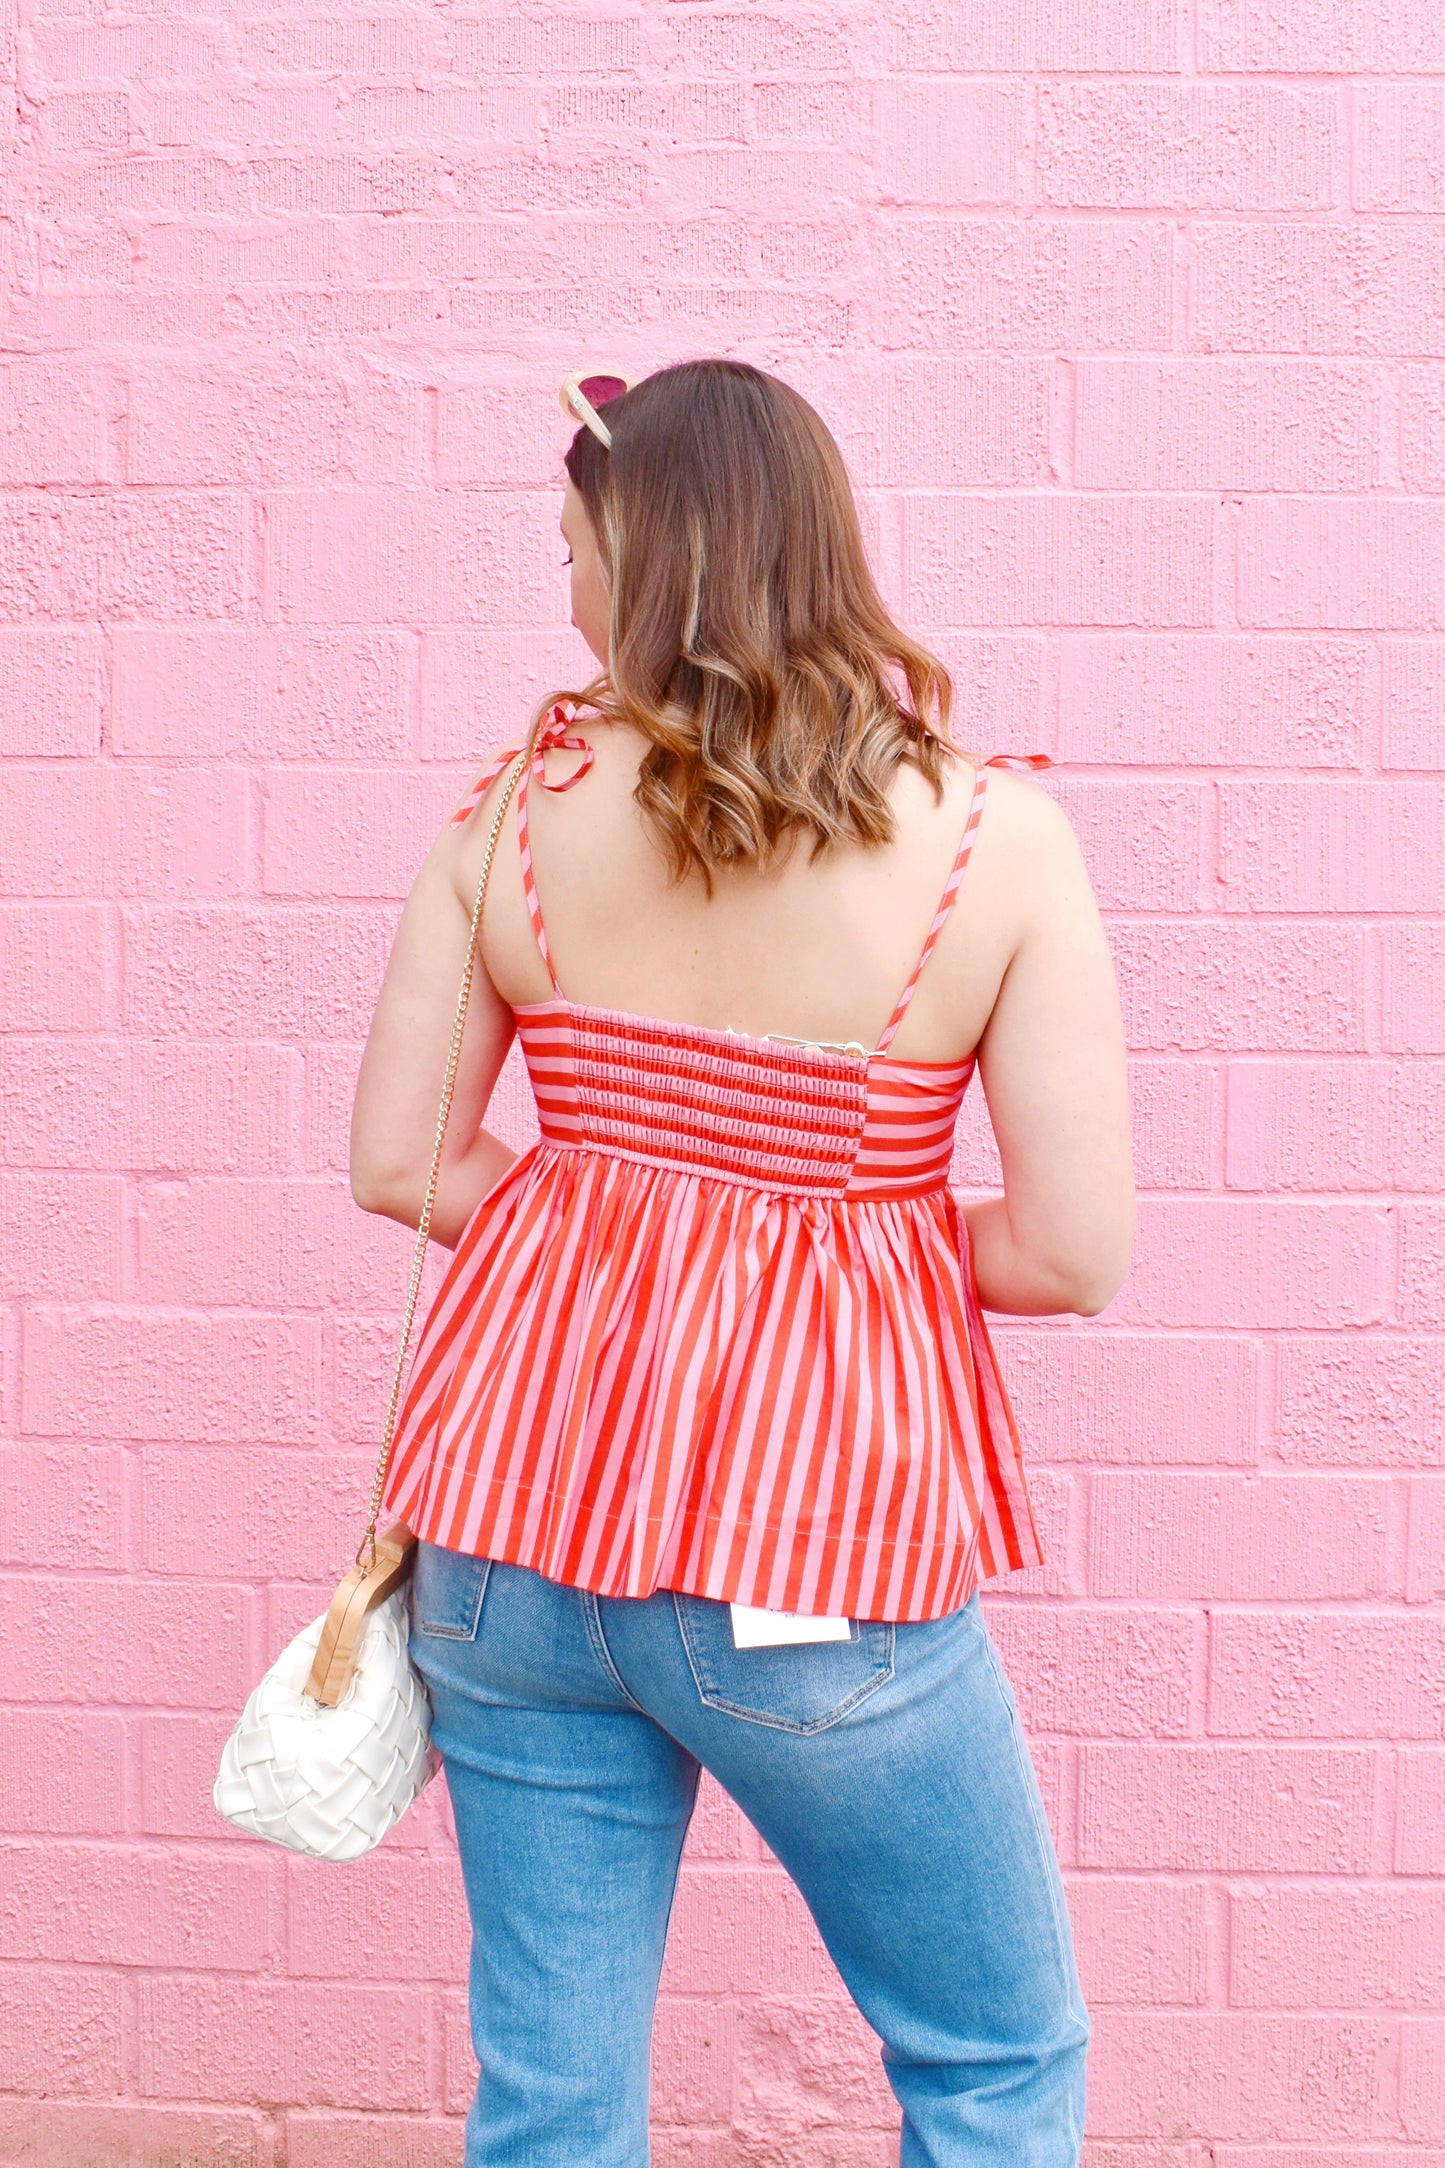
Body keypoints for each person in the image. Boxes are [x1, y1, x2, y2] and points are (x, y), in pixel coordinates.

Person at [350, 359, 1134, 2167]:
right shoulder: (993, 845)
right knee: (990, 2061)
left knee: (551, 2100)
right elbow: (1070, 1252)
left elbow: (404, 1159)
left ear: (644, 561)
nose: (564, 594)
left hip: (508, 1547)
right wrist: (821, 1257)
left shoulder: (509, 820)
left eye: (573, 550)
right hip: (816, 1562)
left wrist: (624, 1225)